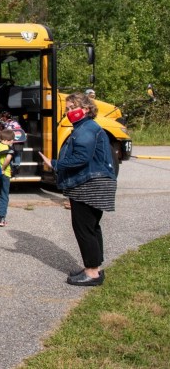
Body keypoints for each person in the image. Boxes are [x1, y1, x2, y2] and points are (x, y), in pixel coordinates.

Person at [39, 93, 116, 286]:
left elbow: (81, 157)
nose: (69, 112)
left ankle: (92, 273)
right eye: (67, 109)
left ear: (87, 109)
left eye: (73, 107)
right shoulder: (86, 128)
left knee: (84, 229)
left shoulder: (86, 129)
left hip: (89, 185)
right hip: (95, 183)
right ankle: (94, 267)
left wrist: (55, 163)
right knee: (91, 227)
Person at [0, 128, 16, 227]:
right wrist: (3, 167)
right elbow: (8, 158)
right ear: (10, 140)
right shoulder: (9, 149)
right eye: (12, 140)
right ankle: (1, 218)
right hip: (4, 174)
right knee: (4, 195)